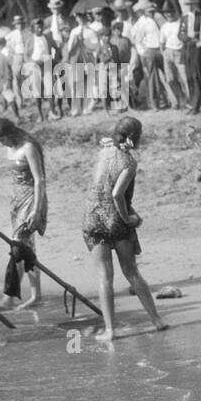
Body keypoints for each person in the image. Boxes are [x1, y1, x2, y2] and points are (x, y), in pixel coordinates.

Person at [81, 116, 169, 341]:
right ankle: (156, 320)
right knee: (131, 272)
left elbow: (104, 181)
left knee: (105, 277)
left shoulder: (103, 152)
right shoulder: (129, 162)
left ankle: (110, 331)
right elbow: (117, 194)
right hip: (115, 220)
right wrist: (129, 219)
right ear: (134, 138)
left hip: (92, 218)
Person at [0, 118, 48, 311]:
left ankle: (10, 296)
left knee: (19, 246)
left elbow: (39, 179)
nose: (3, 145)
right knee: (27, 248)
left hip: (31, 198)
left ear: (10, 134)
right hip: (16, 199)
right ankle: (36, 295)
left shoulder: (29, 147)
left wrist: (36, 209)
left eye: (3, 140)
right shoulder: (11, 147)